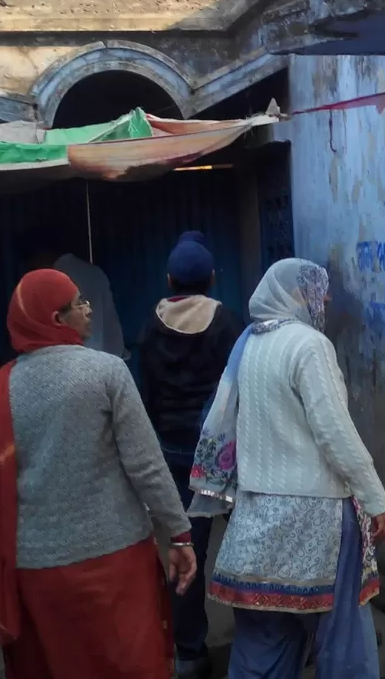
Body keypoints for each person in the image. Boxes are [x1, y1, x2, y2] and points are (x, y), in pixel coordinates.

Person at [0, 268, 198, 679]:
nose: (89, 308)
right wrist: (179, 533)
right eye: (80, 303)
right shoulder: (107, 372)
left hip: (35, 572)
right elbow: (146, 465)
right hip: (114, 561)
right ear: (58, 319)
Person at [189, 258, 385, 679]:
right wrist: (375, 498)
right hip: (316, 519)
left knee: (263, 644)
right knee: (342, 639)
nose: (328, 298)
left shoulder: (249, 344)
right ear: (296, 295)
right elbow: (335, 433)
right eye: (319, 290)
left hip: (256, 520)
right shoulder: (309, 345)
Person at [138, 232, 245, 678]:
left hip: (174, 453)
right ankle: (263, 640)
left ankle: (189, 653)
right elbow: (243, 385)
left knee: (187, 549)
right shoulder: (226, 323)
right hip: (224, 455)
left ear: (169, 279)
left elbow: (142, 394)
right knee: (248, 545)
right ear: (212, 278)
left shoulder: (151, 326)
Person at [18, 226, 126, 359]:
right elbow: (113, 330)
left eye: (30, 262)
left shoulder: (52, 280)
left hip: (69, 364)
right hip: (103, 361)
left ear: (41, 254)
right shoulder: (96, 273)